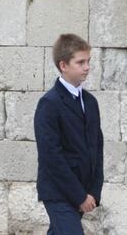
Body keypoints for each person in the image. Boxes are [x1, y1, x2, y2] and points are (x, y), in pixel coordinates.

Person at [34, 34, 104, 235]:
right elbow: (51, 157)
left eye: (88, 61)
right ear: (63, 65)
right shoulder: (49, 104)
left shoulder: (90, 102)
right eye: (80, 62)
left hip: (83, 189)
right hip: (58, 192)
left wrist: (94, 191)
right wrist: (79, 196)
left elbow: (97, 147)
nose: (87, 67)